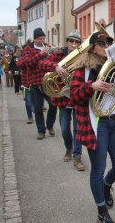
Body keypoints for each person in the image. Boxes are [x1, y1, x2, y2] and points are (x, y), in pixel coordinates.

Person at [70, 31, 115, 223]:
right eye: (103, 43)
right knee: (98, 168)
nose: (107, 46)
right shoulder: (83, 69)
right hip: (96, 123)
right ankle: (101, 210)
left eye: (109, 42)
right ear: (93, 48)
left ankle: (107, 185)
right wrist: (91, 87)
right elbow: (73, 96)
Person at [39, 30, 85, 171]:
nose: (73, 44)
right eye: (71, 41)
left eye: (77, 42)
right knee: (65, 128)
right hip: (62, 99)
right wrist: (56, 66)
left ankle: (77, 157)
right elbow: (42, 63)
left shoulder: (83, 56)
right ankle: (69, 148)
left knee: (78, 129)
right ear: (67, 42)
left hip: (77, 98)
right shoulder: (58, 54)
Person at [22, 28, 57, 140]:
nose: (42, 40)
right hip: (35, 82)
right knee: (38, 108)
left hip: (48, 82)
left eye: (43, 38)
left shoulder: (48, 47)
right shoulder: (28, 49)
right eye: (40, 39)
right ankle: (41, 131)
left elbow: (53, 62)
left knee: (53, 104)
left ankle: (50, 125)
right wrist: (41, 54)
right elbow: (28, 63)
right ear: (35, 39)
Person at [17, 44, 33, 124]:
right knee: (28, 102)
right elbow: (19, 65)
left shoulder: (34, 57)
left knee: (38, 103)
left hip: (35, 83)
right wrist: (26, 59)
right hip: (26, 83)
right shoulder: (22, 59)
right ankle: (29, 117)